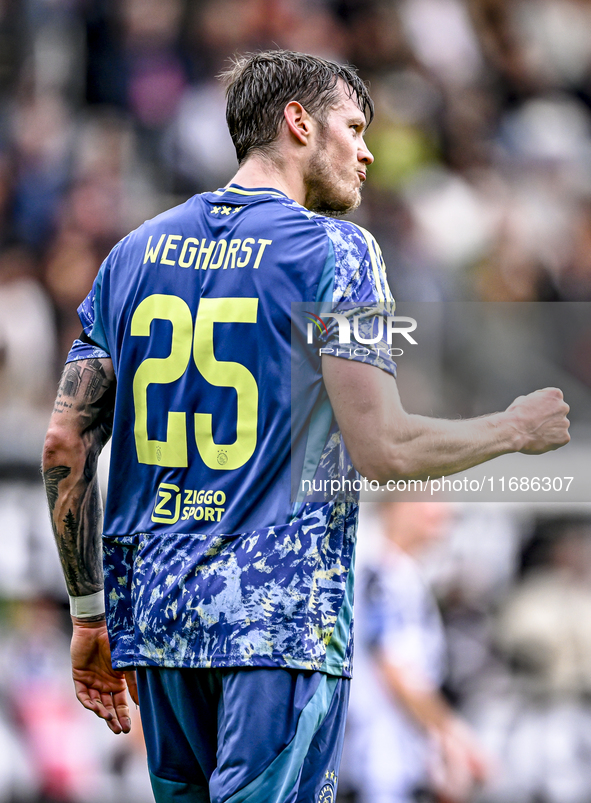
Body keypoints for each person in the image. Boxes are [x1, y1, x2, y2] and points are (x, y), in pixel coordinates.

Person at [42, 50, 570, 803]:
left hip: (156, 628)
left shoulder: (131, 255)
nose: (366, 150)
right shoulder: (336, 252)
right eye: (353, 127)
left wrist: (89, 614)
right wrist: (513, 430)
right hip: (277, 626)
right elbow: (383, 449)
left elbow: (63, 443)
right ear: (298, 123)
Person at [343, 502, 489, 803]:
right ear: (394, 506)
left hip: (388, 757)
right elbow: (398, 669)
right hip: (376, 762)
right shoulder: (381, 571)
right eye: (428, 496)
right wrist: (454, 735)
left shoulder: (399, 572)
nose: (443, 510)